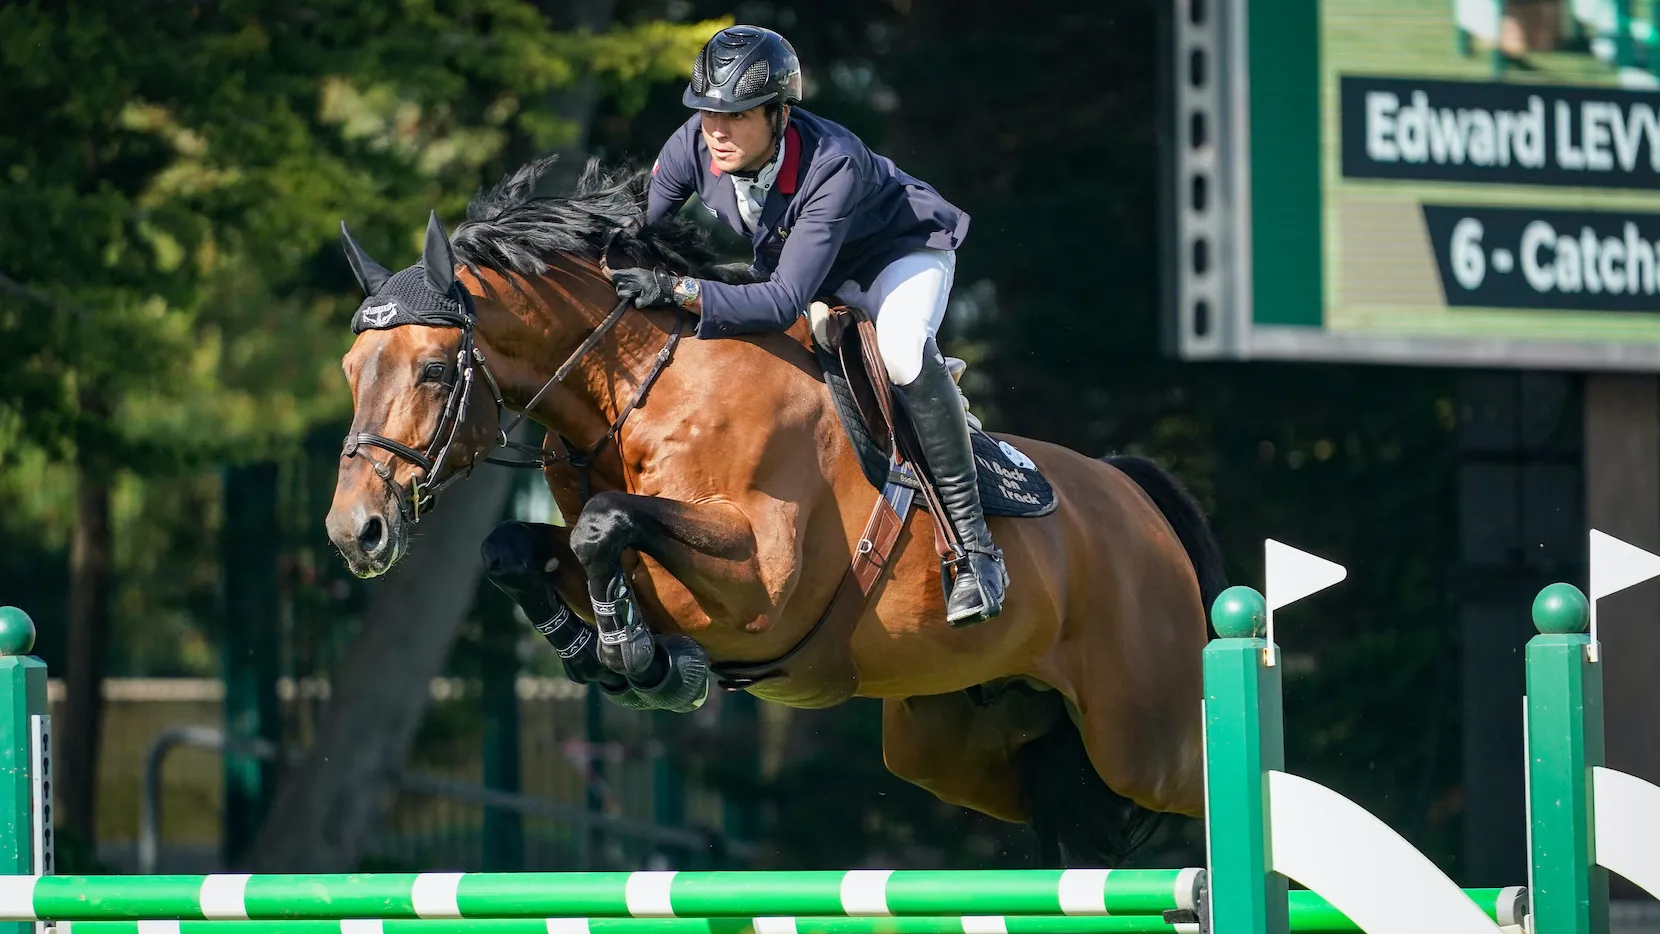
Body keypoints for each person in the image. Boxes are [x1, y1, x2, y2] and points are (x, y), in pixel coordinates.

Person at [605, 25, 1007, 626]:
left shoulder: (833, 162)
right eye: (708, 112)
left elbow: (782, 301)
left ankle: (977, 554)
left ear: (779, 113)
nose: (717, 130)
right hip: (808, 270)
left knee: (899, 353)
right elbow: (634, 230)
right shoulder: (694, 143)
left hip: (896, 258)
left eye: (737, 115)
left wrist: (678, 288)